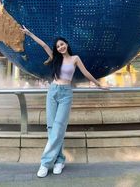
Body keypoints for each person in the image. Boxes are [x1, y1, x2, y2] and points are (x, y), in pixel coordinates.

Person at [21, 26, 109, 178]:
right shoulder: (56, 58)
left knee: (59, 127)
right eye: (58, 46)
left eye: (62, 44)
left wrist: (98, 84)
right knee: (51, 127)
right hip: (53, 91)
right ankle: (59, 160)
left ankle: (45, 163)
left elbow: (86, 72)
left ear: (66, 44)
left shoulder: (75, 59)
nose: (60, 47)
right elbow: (43, 45)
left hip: (66, 94)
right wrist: (29, 33)